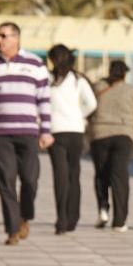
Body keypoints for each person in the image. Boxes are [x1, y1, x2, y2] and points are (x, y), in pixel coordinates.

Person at [0, 22, 53, 245]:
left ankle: (25, 215)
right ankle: (12, 229)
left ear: (16, 38)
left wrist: (46, 130)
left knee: (30, 179)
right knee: (5, 181)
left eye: (4, 36)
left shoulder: (35, 64)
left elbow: (44, 99)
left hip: (28, 132)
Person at [88, 61, 133, 232]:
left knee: (101, 173)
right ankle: (120, 221)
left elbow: (87, 106)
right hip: (123, 135)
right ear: (125, 74)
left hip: (99, 134)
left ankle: (103, 209)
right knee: (119, 176)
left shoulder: (97, 87)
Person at [47, 44, 97, 235]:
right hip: (76, 131)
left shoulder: (49, 80)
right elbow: (92, 104)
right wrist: (79, 116)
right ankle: (72, 218)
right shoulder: (78, 80)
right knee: (73, 175)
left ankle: (61, 219)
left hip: (55, 132)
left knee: (60, 176)